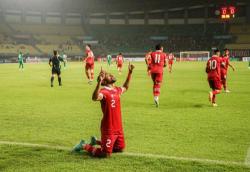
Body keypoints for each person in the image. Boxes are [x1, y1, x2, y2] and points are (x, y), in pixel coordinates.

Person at [72, 63, 135, 158]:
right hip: (108, 128)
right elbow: (94, 97)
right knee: (106, 154)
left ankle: (96, 141)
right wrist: (98, 83)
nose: (112, 75)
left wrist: (130, 72)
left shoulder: (116, 90)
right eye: (109, 76)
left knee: (119, 149)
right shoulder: (103, 92)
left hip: (118, 128)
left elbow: (125, 87)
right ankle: (84, 145)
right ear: (105, 82)